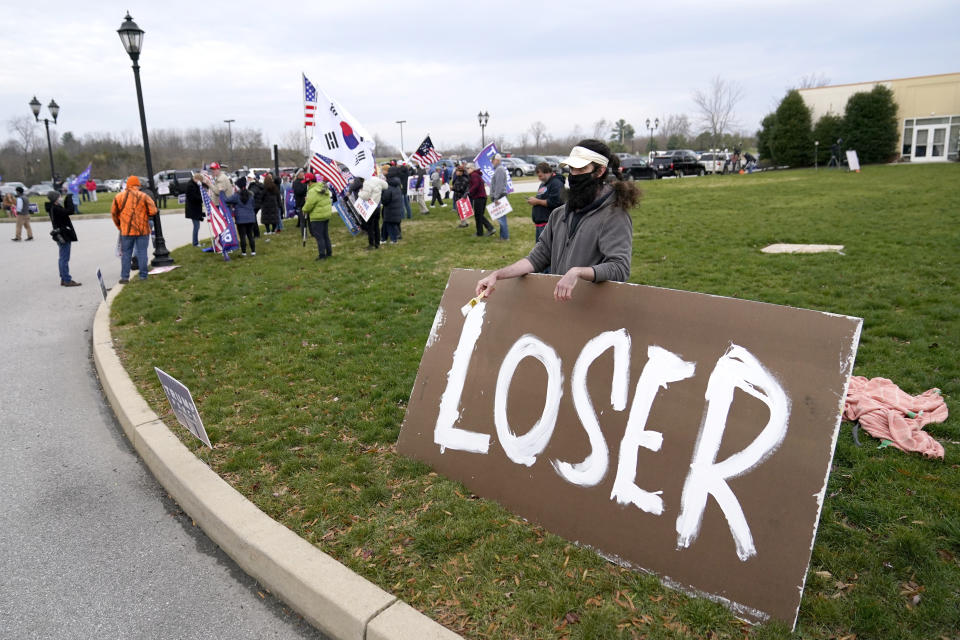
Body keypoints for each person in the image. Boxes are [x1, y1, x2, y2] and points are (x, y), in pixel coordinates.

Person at [475, 139, 638, 303]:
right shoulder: (559, 214)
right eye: (572, 168)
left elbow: (619, 267)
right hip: (560, 307)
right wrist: (497, 275)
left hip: (593, 310)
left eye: (581, 168)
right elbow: (537, 257)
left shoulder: (615, 216)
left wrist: (578, 272)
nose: (574, 174)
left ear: (600, 171)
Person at [111, 175, 158, 283]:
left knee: (126, 253)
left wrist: (120, 226)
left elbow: (114, 214)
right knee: (142, 253)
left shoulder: (119, 197)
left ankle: (125, 277)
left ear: (127, 184)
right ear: (138, 185)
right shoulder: (144, 196)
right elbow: (153, 211)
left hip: (126, 230)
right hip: (142, 230)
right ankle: (143, 276)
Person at [46, 191, 80, 287]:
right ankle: (67, 279)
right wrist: (69, 199)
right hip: (63, 235)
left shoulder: (54, 207)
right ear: (55, 199)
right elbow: (70, 211)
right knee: (64, 258)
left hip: (61, 234)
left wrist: (66, 200)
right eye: (59, 197)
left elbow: (66, 211)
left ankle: (63, 278)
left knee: (62, 257)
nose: (60, 198)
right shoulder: (55, 208)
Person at [527, 162, 565, 243]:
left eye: (540, 176)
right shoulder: (544, 183)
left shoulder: (556, 183)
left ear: (547, 172)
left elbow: (555, 202)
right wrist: (534, 200)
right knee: (539, 252)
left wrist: (537, 201)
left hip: (548, 224)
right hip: (540, 223)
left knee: (546, 252)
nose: (539, 178)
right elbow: (542, 197)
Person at [224, 176, 257, 256]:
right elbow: (253, 205)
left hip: (240, 219)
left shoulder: (236, 195)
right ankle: (253, 251)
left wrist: (223, 194)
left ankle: (244, 252)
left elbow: (226, 200)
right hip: (250, 218)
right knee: (250, 235)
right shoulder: (251, 194)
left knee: (242, 236)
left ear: (238, 186)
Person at [303, 176, 333, 260]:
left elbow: (309, 205)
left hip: (317, 216)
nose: (307, 185)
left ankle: (322, 255)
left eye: (307, 183)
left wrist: (304, 209)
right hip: (325, 215)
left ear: (310, 182)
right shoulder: (322, 187)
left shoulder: (312, 191)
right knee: (325, 235)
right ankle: (329, 252)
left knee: (319, 237)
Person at [467, 163, 495, 237]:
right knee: (479, 215)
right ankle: (480, 232)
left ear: (472, 168)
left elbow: (475, 185)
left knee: (478, 215)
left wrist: (469, 192)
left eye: (468, 168)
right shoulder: (476, 175)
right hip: (482, 197)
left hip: (479, 197)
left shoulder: (474, 175)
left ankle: (490, 228)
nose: (467, 170)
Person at [489, 153, 509, 240]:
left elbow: (499, 185)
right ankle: (503, 236)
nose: (492, 162)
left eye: (493, 160)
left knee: (502, 218)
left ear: (496, 160)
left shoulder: (499, 170)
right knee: (501, 217)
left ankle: (504, 237)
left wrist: (496, 197)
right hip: (500, 196)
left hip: (500, 197)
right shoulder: (498, 169)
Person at [380, 174, 405, 244]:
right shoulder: (397, 186)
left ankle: (394, 240)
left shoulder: (388, 188)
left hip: (390, 209)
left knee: (390, 224)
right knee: (386, 223)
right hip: (396, 208)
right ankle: (383, 238)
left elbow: (385, 200)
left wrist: (382, 194)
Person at [184, 173, 205, 246]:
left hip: (195, 209)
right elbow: (193, 197)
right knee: (196, 226)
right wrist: (202, 198)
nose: (200, 182)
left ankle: (195, 242)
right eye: (200, 181)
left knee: (197, 226)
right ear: (196, 179)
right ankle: (195, 243)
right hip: (193, 209)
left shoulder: (194, 184)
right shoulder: (190, 186)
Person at [450, 163, 471, 228]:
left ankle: (463, 223)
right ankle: (465, 222)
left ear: (461, 172)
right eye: (456, 170)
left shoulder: (464, 179)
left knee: (461, 211)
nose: (456, 172)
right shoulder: (458, 178)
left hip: (461, 197)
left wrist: (453, 188)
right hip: (457, 196)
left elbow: (461, 189)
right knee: (460, 211)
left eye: (458, 171)